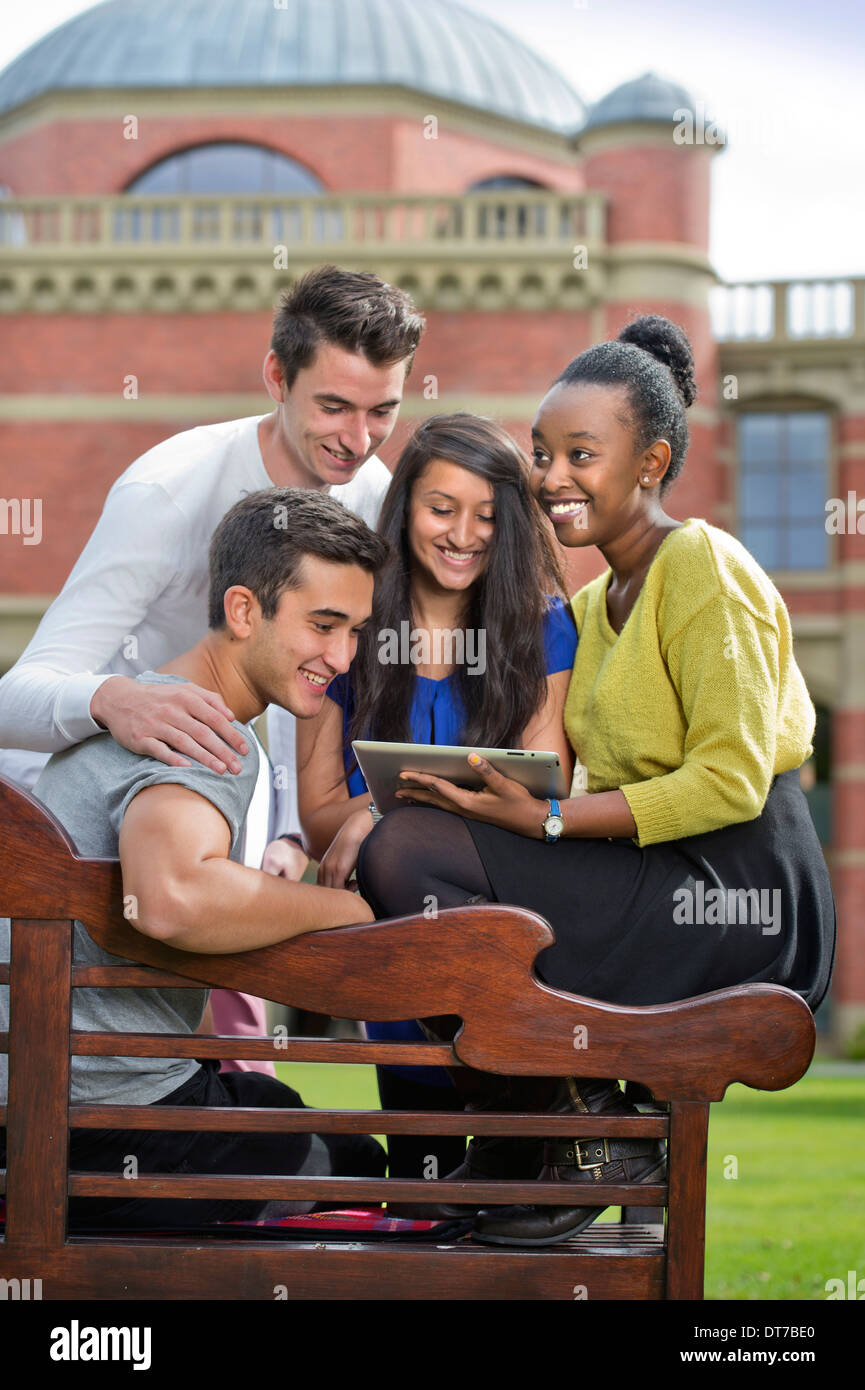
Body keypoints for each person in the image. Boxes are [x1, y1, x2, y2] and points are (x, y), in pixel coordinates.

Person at [355, 316, 837, 1245]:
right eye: (541, 453)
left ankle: (579, 1128)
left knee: (409, 852)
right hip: (647, 871)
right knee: (410, 848)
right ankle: (521, 1133)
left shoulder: (702, 563)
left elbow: (731, 782)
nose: (550, 477)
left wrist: (543, 822)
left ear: (651, 463)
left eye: (582, 453)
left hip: (738, 900)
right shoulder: (587, 605)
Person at [0, 265, 425, 1072]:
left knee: (242, 1085)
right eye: (332, 406)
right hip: (70, 849)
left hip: (233, 830)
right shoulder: (168, 490)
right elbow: (13, 697)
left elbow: (345, 687)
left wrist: (336, 816)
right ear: (276, 375)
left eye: (383, 411)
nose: (358, 439)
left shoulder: (373, 498)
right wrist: (114, 699)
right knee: (91, 1088)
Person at [0, 488, 390, 1231]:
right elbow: (171, 897)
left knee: (283, 1113)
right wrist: (355, 909)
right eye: (323, 625)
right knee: (363, 1169)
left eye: (356, 632)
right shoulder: (205, 731)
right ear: (244, 612)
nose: (340, 658)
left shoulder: (145, 705)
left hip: (53, 1095)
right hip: (101, 1121)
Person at [297, 413, 577, 1183]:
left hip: (500, 951)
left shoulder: (542, 628)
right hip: (390, 966)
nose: (465, 534)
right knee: (422, 1200)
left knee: (512, 1203)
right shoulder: (349, 631)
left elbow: (533, 796)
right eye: (441, 509)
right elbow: (320, 816)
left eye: (488, 514)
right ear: (405, 510)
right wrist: (374, 816)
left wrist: (388, 809)